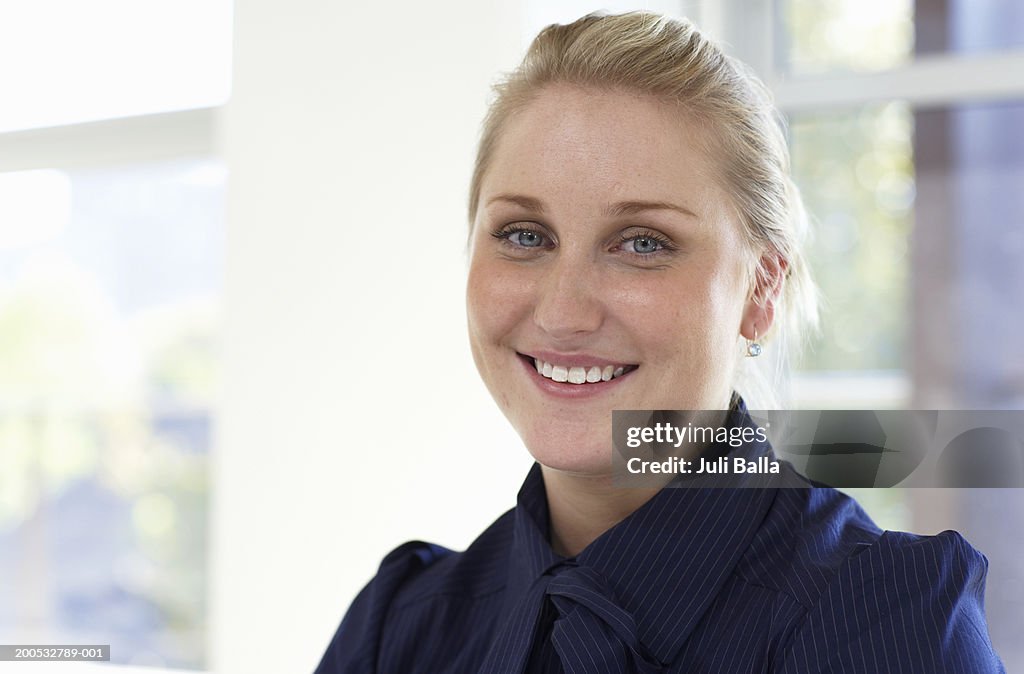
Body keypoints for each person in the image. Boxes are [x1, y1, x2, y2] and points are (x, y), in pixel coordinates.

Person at [314, 12, 1005, 673]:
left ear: (760, 290)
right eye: (525, 235)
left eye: (643, 243)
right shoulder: (400, 629)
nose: (563, 313)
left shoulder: (888, 624)